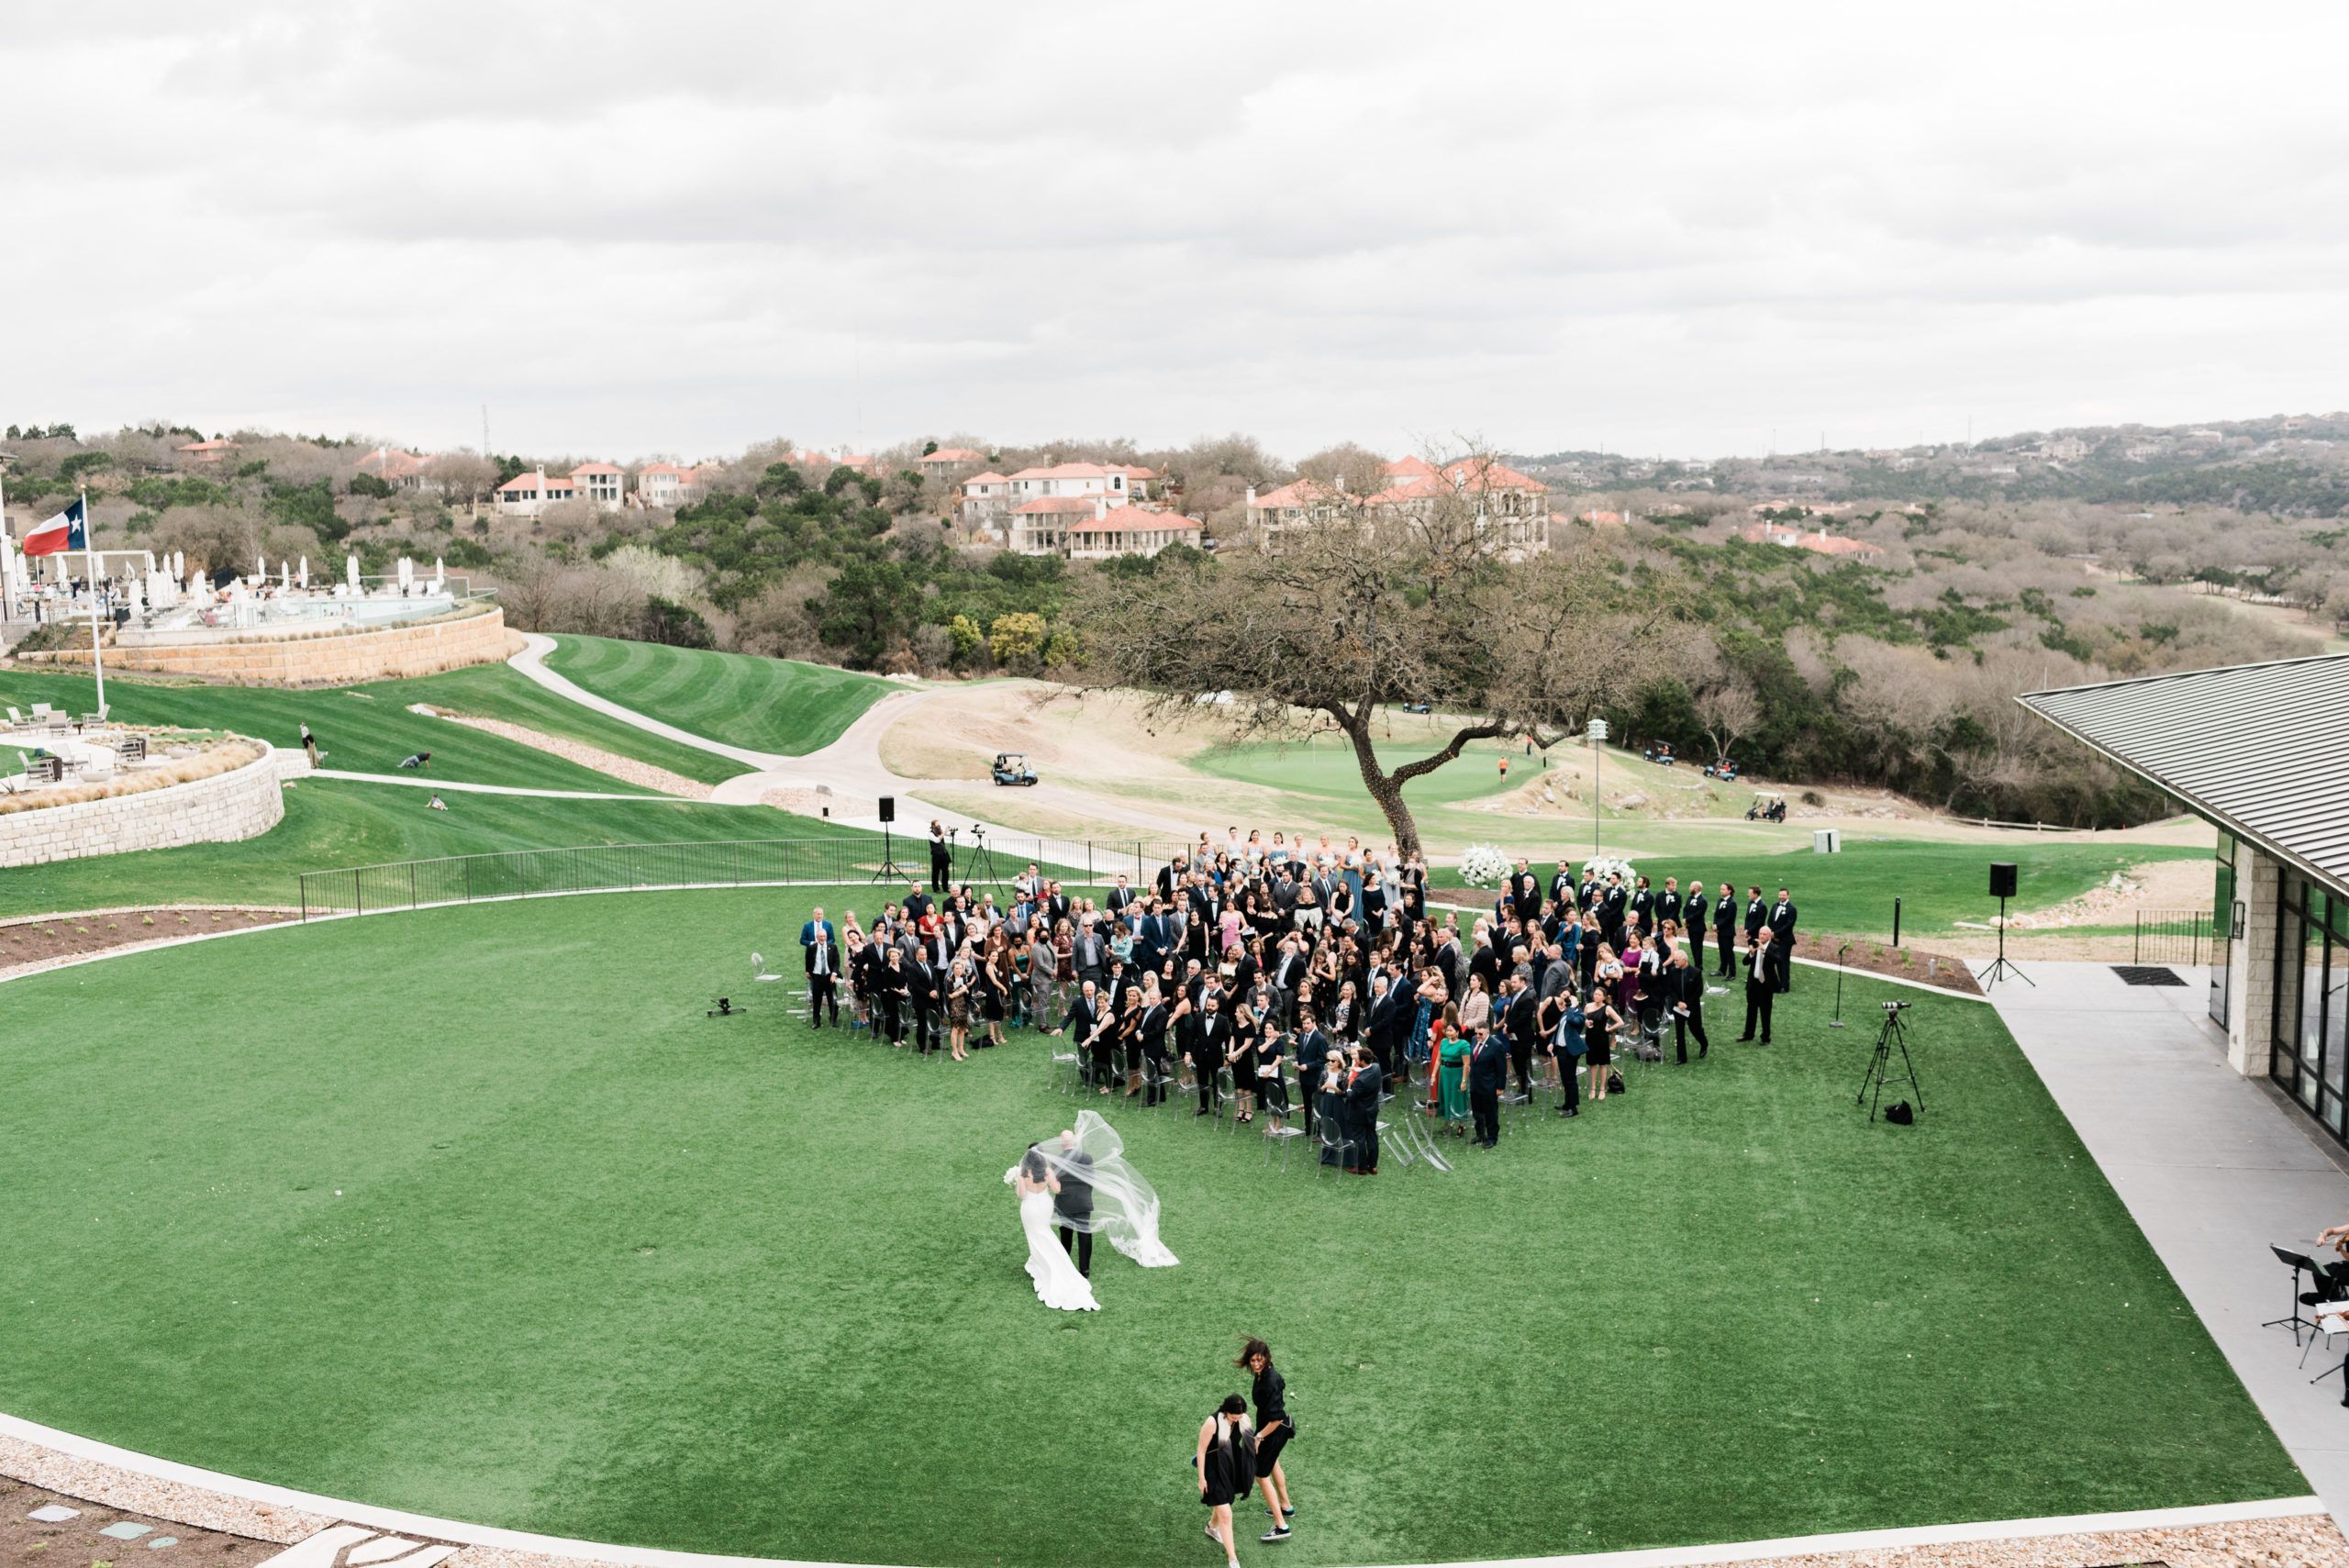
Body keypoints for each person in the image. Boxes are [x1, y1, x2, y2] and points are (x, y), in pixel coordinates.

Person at [1008, 1146, 1097, 1313]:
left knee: (1034, 1236)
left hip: (1030, 1208)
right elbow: (1057, 1189)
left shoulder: (1022, 1172)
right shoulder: (1047, 1171)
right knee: (1045, 1232)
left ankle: (1042, 1264)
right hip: (1045, 1205)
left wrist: (1018, 1182)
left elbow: (1021, 1195)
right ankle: (1053, 1261)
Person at [1238, 1339, 1296, 1539]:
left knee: (1261, 1475)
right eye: (1253, 1360)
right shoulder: (1266, 1372)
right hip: (1275, 1429)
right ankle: (1286, 1506)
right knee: (1273, 1463)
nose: (1255, 1364)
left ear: (1266, 1358)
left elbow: (1276, 1418)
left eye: (1259, 1360)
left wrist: (1259, 1437)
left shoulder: (1269, 1381)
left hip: (1273, 1431)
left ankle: (1281, 1526)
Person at [1195, 1395, 1255, 1568]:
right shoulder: (1212, 1422)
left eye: (1239, 1417)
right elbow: (1201, 1450)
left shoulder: (1243, 1418)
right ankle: (1233, 1560)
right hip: (1213, 1469)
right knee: (1227, 1514)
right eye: (1233, 1417)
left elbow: (1249, 1442)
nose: (1237, 1420)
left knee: (1224, 1503)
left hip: (1231, 1466)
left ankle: (1212, 1527)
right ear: (1226, 1411)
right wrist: (1201, 1478)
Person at [1052, 1129, 1094, 1278]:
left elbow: (1055, 1183)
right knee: (1084, 1234)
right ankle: (1085, 1269)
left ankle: (1065, 1266)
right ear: (1074, 1141)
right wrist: (1085, 1195)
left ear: (1062, 1143)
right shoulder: (1087, 1158)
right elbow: (1091, 1181)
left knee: (1066, 1233)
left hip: (1064, 1202)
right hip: (1083, 1200)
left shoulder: (1056, 1160)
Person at [1466, 1021, 1508, 1149]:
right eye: (1476, 1033)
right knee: (1477, 1112)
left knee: (1490, 1113)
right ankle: (1480, 1135)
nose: (1478, 1036)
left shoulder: (1497, 1046)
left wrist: (1500, 1087)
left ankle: (1492, 1138)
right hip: (1475, 1084)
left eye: (1481, 1034)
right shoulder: (1473, 1040)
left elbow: (1502, 1069)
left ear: (1488, 1032)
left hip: (1489, 1085)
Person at [1433, 1002, 1471, 1135]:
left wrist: (1464, 1081)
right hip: (1445, 1074)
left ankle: (1461, 1124)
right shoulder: (1444, 1042)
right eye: (1447, 1030)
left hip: (1457, 1074)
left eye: (1451, 1030)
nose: (1448, 1032)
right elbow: (1438, 1060)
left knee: (1458, 1098)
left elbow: (1466, 1064)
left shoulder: (1464, 1045)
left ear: (1457, 1032)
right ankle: (1447, 1122)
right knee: (1445, 1097)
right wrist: (1433, 1075)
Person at [801, 906, 840, 1029]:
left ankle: (833, 1020)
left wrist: (834, 973)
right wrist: (808, 971)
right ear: (817, 938)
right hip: (817, 977)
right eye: (820, 937)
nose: (822, 938)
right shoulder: (812, 948)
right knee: (816, 1000)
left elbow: (836, 962)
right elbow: (808, 959)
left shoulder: (832, 947)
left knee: (832, 999)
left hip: (829, 977)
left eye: (824, 936)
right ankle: (816, 1021)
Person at [1670, 949, 1709, 1062]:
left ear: (1684, 960)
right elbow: (1671, 989)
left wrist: (1686, 1004)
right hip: (1678, 1007)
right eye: (1674, 960)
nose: (1675, 962)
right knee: (1679, 1032)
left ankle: (1704, 1043)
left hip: (1692, 1008)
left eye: (1677, 960)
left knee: (1695, 1028)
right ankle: (1681, 1057)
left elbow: (1698, 992)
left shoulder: (1696, 972)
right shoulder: (1673, 971)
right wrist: (1678, 1002)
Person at [1740, 929, 1776, 1045]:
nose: (1761, 936)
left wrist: (1764, 950)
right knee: (1751, 1010)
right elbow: (1744, 962)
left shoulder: (1773, 948)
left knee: (1765, 1012)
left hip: (1765, 985)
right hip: (1753, 984)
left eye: (1764, 934)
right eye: (1760, 933)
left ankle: (1765, 1037)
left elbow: (1779, 960)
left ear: (1769, 936)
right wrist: (1751, 953)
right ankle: (1748, 1034)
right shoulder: (1755, 945)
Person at [1768, 885, 1798, 992]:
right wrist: (1771, 934)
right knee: (1776, 961)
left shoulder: (1792, 909)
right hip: (1773, 939)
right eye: (1780, 895)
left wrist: (1776, 934)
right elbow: (1770, 921)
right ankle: (1779, 982)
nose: (1782, 896)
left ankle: (1785, 986)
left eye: (1784, 895)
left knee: (1784, 963)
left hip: (1785, 940)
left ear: (1788, 896)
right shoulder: (1774, 906)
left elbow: (1788, 925)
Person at [1713, 882, 1738, 978]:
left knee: (1729, 953)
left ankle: (1732, 973)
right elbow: (1716, 914)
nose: (1721, 891)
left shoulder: (1732, 903)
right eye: (1721, 889)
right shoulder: (1720, 901)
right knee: (1722, 952)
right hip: (1720, 931)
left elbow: (1728, 918)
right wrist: (1715, 924)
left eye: (1723, 889)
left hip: (1727, 932)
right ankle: (1722, 971)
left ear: (1729, 891)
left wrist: (1718, 926)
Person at [928, 818, 952, 892]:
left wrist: (947, 831)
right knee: (936, 872)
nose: (939, 826)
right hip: (936, 855)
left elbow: (947, 835)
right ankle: (936, 888)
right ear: (933, 825)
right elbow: (937, 840)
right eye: (937, 825)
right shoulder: (930, 834)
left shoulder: (940, 832)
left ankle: (945, 887)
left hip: (944, 854)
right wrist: (944, 832)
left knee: (945, 872)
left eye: (939, 824)